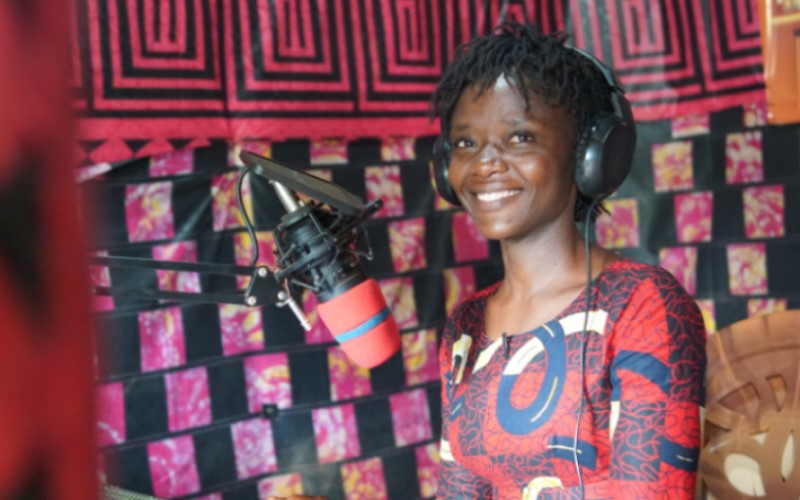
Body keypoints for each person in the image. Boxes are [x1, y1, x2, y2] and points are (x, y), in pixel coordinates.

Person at [430, 21, 706, 499]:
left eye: (519, 137)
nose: (484, 164)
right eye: (464, 143)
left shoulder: (643, 305)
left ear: (588, 156)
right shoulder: (465, 326)